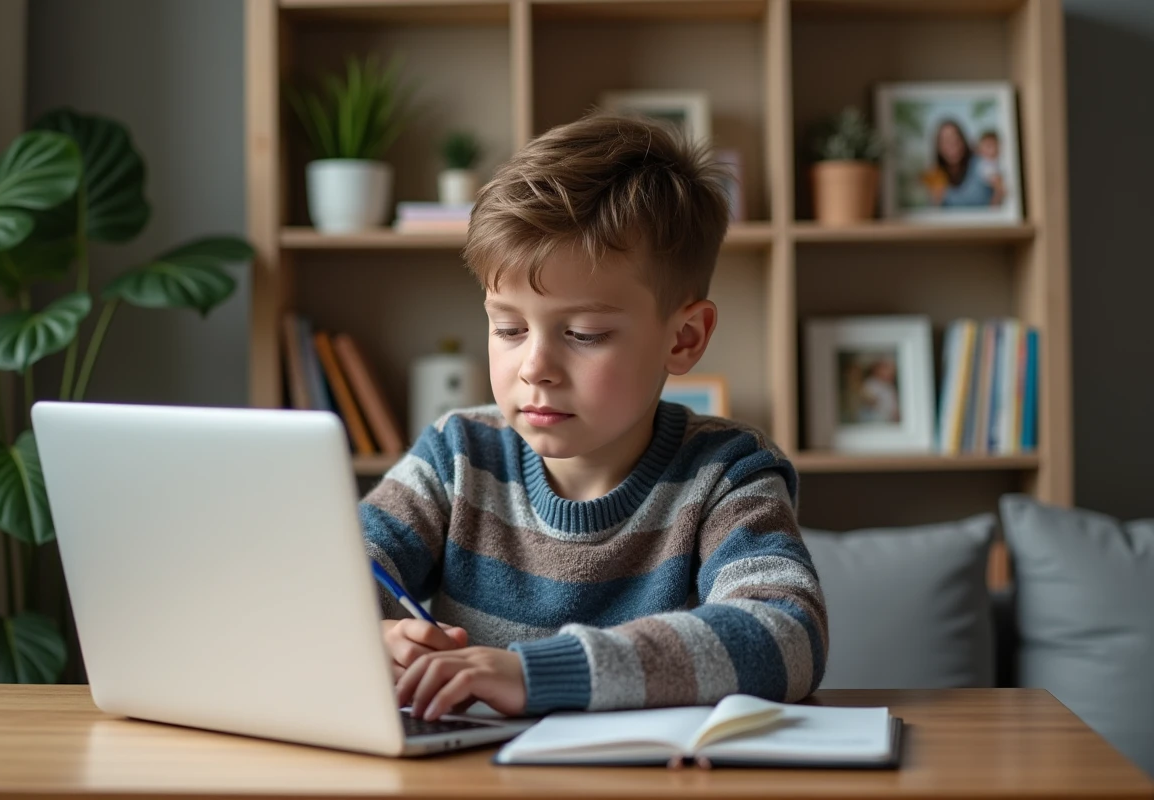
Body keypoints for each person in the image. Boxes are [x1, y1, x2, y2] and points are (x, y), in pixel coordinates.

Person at [360, 113, 828, 723]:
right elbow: (335, 577)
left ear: (683, 338)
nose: (535, 367)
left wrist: (541, 673)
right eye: (508, 328)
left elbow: (785, 635)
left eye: (583, 334)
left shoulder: (727, 474)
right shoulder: (456, 454)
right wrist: (373, 638)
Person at [927, 119, 996, 208]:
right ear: (938, 147)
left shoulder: (982, 165)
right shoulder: (936, 176)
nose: (951, 144)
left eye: (955, 138)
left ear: (963, 140)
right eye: (945, 140)